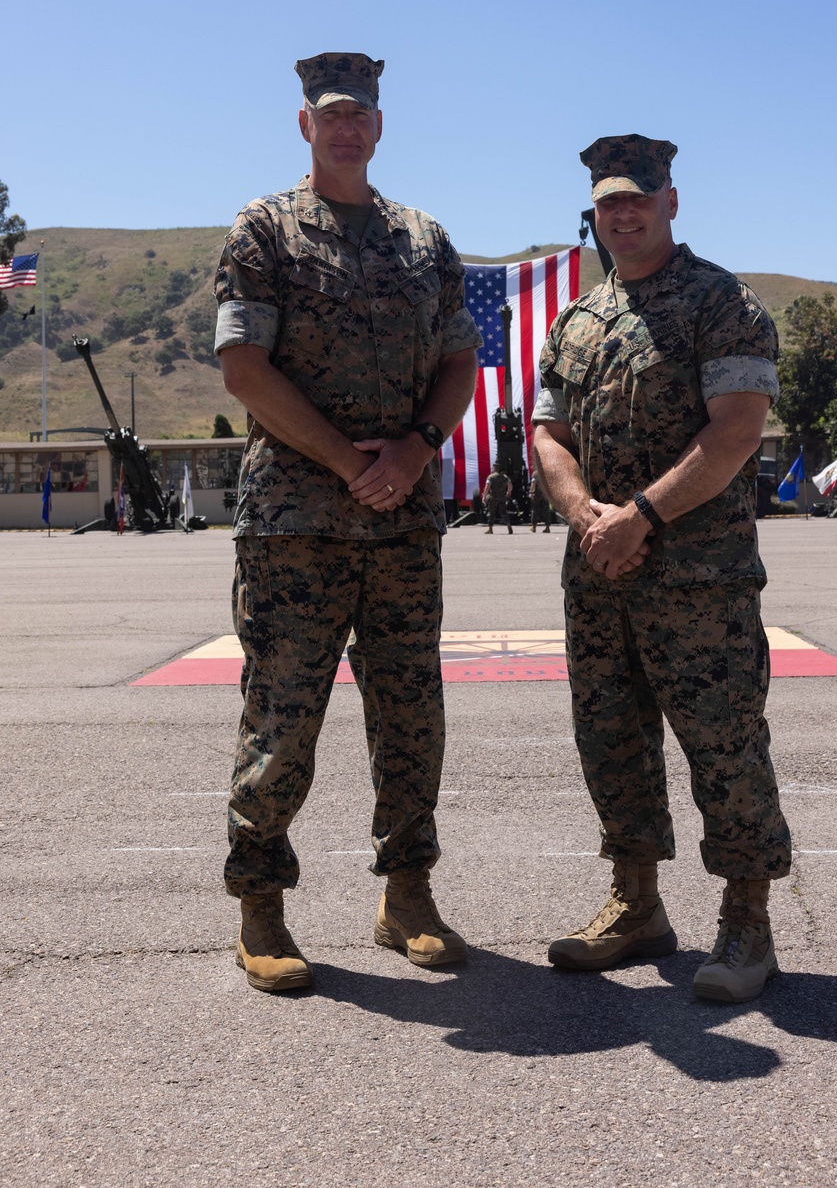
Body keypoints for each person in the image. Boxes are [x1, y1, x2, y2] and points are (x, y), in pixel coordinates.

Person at [214, 51, 481, 992]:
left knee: (411, 716)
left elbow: (459, 362)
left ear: (378, 125)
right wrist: (345, 460)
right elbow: (245, 368)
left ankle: (407, 893)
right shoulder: (265, 230)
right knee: (283, 718)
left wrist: (415, 445)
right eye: (330, 113)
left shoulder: (424, 240)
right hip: (296, 524)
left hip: (403, 524)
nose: (346, 127)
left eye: (360, 114)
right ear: (305, 125)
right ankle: (262, 905)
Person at [531, 133, 791, 1003]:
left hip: (700, 580)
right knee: (612, 741)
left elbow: (735, 432)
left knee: (724, 745)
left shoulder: (724, 304)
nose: (626, 212)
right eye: (610, 201)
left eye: (640, 196)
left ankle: (747, 921)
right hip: (599, 574)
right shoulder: (577, 321)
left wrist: (638, 515)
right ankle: (637, 903)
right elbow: (548, 434)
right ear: (594, 213)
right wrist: (585, 517)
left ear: (671, 201)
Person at [482, 466, 513, 534]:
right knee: (503, 512)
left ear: (495, 469)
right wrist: (508, 492)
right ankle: (508, 525)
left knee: (491, 513)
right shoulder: (505, 477)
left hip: (493, 497)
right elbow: (510, 485)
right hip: (502, 497)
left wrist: (484, 496)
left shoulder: (491, 477)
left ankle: (490, 529)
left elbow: (487, 487)